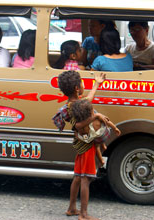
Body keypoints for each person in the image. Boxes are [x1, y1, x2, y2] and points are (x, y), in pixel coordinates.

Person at [52, 70, 106, 220]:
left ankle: (71, 208)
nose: (83, 85)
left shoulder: (71, 104)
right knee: (85, 179)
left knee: (77, 177)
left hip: (79, 145)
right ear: (77, 88)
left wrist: (96, 84)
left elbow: (88, 98)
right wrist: (94, 116)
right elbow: (80, 123)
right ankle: (83, 214)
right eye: (82, 83)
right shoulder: (79, 105)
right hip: (87, 145)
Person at [71, 98, 121, 167]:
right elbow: (107, 121)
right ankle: (103, 146)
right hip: (105, 133)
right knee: (99, 136)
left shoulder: (83, 127)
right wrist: (115, 128)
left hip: (97, 138)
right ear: (92, 111)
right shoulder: (98, 116)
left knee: (96, 147)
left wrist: (78, 136)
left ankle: (102, 161)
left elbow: (85, 138)